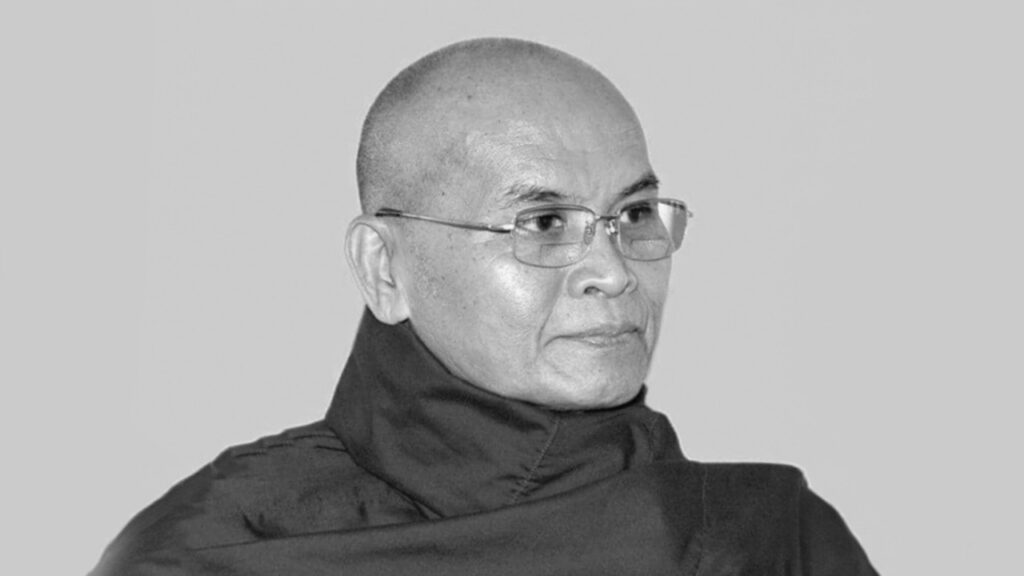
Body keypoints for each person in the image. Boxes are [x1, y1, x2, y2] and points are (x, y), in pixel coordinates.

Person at [92, 38, 877, 575]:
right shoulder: (215, 550)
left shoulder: (769, 541)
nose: (613, 273)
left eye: (634, 215)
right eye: (543, 224)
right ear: (384, 269)